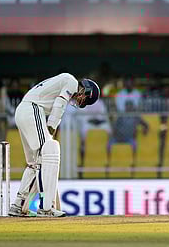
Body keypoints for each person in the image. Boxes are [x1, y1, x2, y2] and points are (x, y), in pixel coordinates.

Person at [8, 73, 100, 217]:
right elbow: (59, 105)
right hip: (32, 110)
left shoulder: (65, 82)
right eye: (84, 99)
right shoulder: (71, 82)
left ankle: (18, 205)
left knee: (35, 163)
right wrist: (51, 129)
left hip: (24, 111)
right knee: (50, 153)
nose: (80, 101)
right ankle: (46, 208)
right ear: (86, 90)